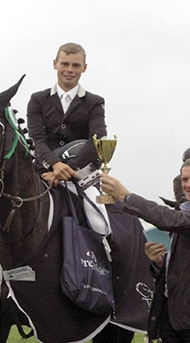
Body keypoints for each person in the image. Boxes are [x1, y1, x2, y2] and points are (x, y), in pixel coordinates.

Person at [100, 155, 190, 343]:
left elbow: (172, 220)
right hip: (175, 316)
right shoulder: (187, 210)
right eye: (184, 179)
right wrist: (159, 262)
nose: (188, 184)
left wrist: (125, 196)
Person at [27, 42, 110, 236]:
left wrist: (66, 170)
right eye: (65, 64)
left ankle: (106, 256)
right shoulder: (38, 100)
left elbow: (97, 139)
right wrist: (54, 165)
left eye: (76, 65)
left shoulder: (95, 102)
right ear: (55, 64)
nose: (69, 70)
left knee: (100, 224)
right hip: (44, 172)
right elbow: (37, 140)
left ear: (84, 68)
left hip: (82, 175)